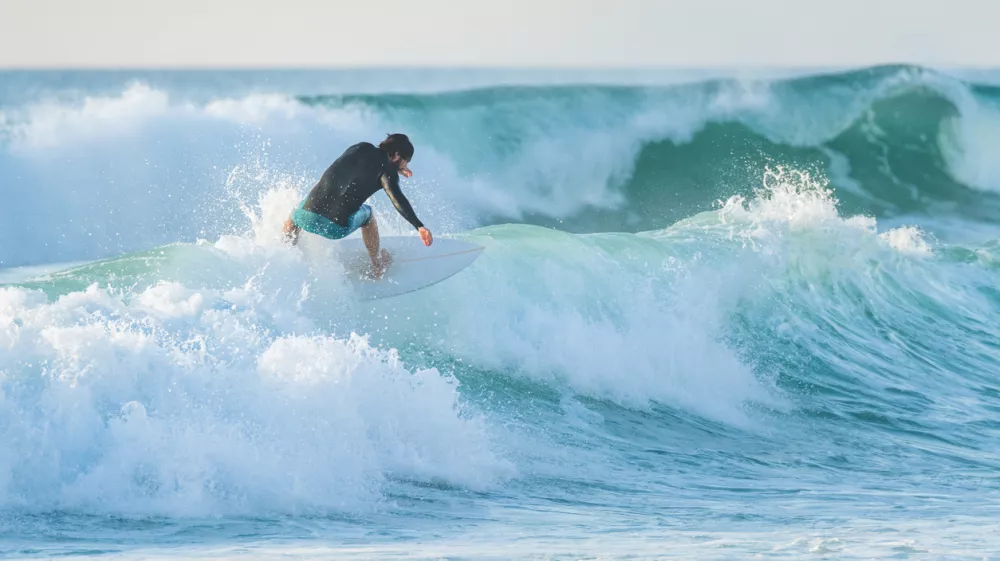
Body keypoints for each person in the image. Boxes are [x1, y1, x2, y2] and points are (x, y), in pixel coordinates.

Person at [283, 133, 433, 278]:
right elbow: (397, 198)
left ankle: (285, 253)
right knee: (368, 214)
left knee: (300, 208)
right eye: (406, 160)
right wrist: (418, 225)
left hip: (305, 218)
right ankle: (377, 266)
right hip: (334, 229)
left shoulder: (360, 147)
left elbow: (358, 168)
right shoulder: (387, 174)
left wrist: (396, 168)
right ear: (397, 155)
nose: (406, 165)